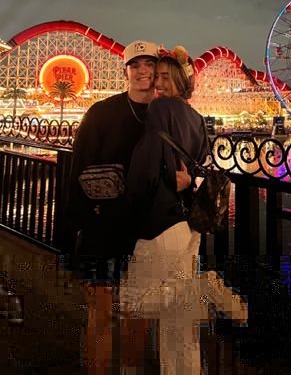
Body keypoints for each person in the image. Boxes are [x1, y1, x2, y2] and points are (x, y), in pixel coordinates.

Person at [66, 40, 159, 374]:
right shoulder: (102, 112)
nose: (142, 72)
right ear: (126, 71)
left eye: (149, 65)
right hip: (103, 228)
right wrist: (80, 222)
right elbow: (78, 168)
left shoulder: (166, 115)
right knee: (101, 312)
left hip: (147, 229)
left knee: (137, 315)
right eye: (136, 65)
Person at [120, 46, 207, 374]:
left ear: (181, 80)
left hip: (159, 225)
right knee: (181, 326)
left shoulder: (160, 109)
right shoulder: (197, 118)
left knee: (134, 304)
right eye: (156, 77)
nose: (157, 82)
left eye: (165, 78)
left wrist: (130, 202)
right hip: (189, 228)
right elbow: (202, 169)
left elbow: (144, 172)